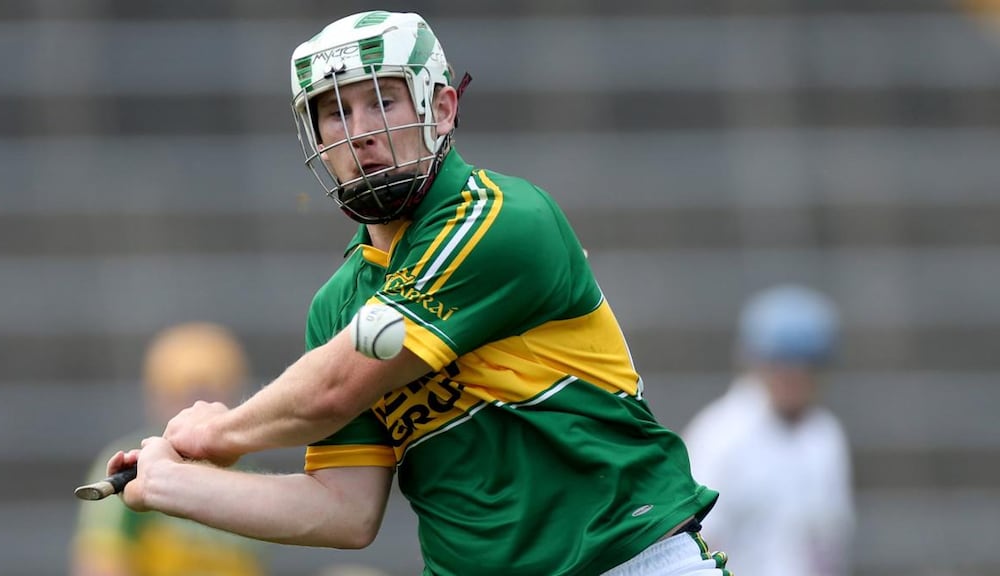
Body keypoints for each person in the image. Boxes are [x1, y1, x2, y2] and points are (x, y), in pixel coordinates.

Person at [104, 11, 729, 576]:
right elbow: (344, 511)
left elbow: (337, 386)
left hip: (628, 563)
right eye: (335, 112)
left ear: (445, 108)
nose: (359, 132)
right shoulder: (338, 307)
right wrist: (170, 487)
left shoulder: (500, 220)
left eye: (382, 101)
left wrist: (223, 433)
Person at [682, 284, 855, 576]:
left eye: (807, 365)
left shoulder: (825, 436)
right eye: (782, 364)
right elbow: (697, 543)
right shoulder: (720, 436)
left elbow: (831, 544)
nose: (795, 378)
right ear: (757, 363)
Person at [71, 322, 266, 576]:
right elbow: (101, 562)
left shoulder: (246, 473)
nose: (196, 406)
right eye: (183, 393)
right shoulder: (132, 467)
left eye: (211, 392)